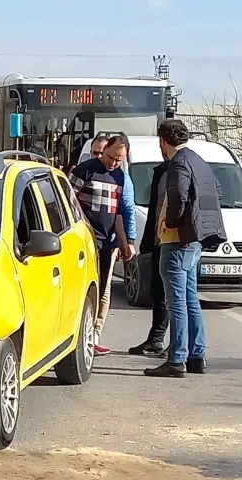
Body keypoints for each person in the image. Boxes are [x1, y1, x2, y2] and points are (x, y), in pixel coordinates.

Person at [144, 119, 226, 378]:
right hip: (194, 240)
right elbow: (218, 192)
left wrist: (171, 221)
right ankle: (196, 355)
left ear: (163, 141)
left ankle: (176, 359)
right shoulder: (199, 160)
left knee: (176, 301)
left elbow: (179, 194)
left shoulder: (178, 163)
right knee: (190, 299)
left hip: (177, 239)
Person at [70, 133, 136, 356]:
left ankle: (92, 335)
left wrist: (126, 242)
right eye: (111, 157)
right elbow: (69, 202)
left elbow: (120, 213)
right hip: (86, 241)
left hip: (108, 243)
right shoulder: (85, 170)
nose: (114, 163)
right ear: (104, 149)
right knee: (83, 288)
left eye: (119, 160)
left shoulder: (120, 177)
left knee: (101, 289)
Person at [128, 159, 170, 357]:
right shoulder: (163, 171)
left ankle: (175, 343)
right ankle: (156, 339)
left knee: (171, 296)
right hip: (158, 240)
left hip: (172, 241)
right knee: (157, 291)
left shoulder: (181, 168)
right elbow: (155, 209)